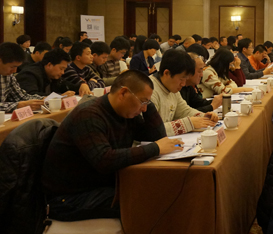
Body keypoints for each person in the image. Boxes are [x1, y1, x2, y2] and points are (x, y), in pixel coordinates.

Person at [41, 71, 183, 221]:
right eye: (142, 102)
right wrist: (155, 148)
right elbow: (104, 160)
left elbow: (157, 136)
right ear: (123, 93)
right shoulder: (89, 115)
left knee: (162, 187)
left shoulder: (124, 113)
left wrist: (148, 104)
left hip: (99, 185)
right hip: (69, 198)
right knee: (150, 200)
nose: (144, 109)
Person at [149, 50, 218, 136]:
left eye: (186, 79)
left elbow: (184, 110)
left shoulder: (172, 88)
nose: (183, 84)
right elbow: (152, 130)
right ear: (167, 73)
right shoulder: (149, 91)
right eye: (181, 79)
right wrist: (189, 123)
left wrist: (203, 117)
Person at [0, 42, 45, 112]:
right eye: (12, 67)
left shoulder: (8, 76)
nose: (15, 71)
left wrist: (42, 99)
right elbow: (20, 103)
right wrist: (18, 105)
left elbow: (21, 97)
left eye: (17, 67)